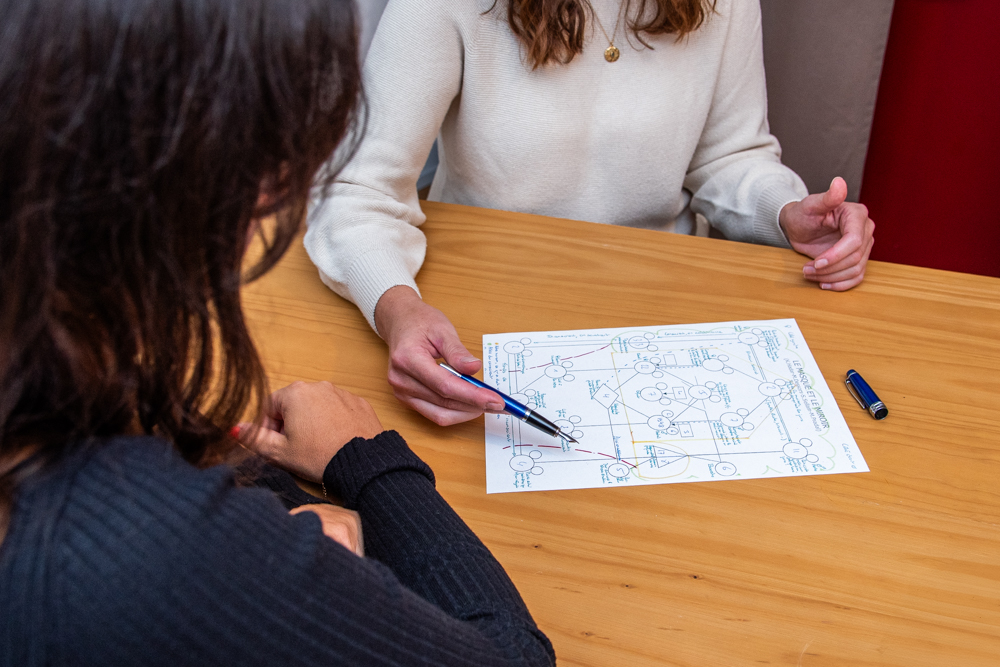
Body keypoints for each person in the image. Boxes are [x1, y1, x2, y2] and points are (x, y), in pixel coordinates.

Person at [0, 0, 555, 664]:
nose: (279, 196)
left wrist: (264, 514)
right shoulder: (144, 550)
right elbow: (512, 656)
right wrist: (366, 460)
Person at [303, 0, 877, 427]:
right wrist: (398, 309)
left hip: (661, 315)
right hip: (476, 319)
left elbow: (729, 155)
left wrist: (785, 211)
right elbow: (355, 191)